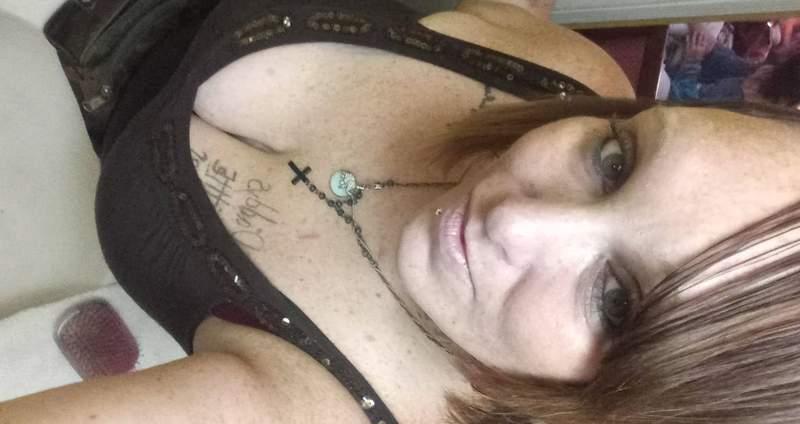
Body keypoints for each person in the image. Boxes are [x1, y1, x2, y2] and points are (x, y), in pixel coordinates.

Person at [3, 1, 800, 424]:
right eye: (616, 162)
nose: (515, 222)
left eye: (614, 300)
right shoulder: (569, 77)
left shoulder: (324, 408)